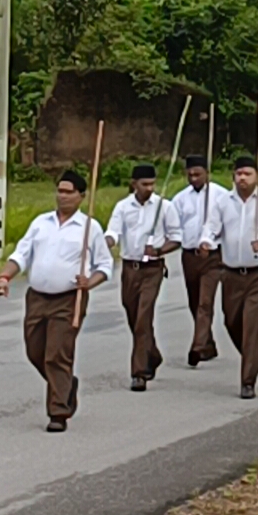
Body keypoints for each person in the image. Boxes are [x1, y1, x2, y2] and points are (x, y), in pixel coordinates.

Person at [0, 171, 112, 432]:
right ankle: (66, 384)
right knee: (35, 351)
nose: (63, 196)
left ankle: (58, 412)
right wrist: (4, 277)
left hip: (69, 299)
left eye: (69, 192)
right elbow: (21, 254)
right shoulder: (41, 223)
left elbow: (105, 265)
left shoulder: (90, 228)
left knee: (57, 354)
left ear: (81, 196)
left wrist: (89, 282)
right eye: (60, 191)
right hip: (37, 298)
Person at [199, 155, 258, 400]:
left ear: (257, 176)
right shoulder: (222, 202)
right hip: (231, 273)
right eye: (239, 174)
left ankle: (247, 380)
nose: (242, 178)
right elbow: (211, 228)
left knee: (253, 324)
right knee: (231, 321)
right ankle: (253, 358)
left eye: (247, 174)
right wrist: (206, 241)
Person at [104, 163, 181, 392]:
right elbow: (113, 232)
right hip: (130, 268)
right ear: (134, 184)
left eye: (152, 184)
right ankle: (152, 353)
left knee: (143, 317)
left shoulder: (164, 206)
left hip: (153, 270)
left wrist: (159, 250)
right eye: (144, 184)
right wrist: (105, 242)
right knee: (133, 315)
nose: (149, 188)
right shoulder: (122, 207)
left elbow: (177, 238)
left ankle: (139, 373)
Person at [170, 156, 223, 367]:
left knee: (205, 302)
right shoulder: (180, 199)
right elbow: (174, 226)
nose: (193, 178)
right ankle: (208, 343)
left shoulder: (221, 196)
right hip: (189, 255)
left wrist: (209, 241)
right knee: (194, 301)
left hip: (213, 256)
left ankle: (197, 347)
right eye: (190, 174)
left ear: (207, 173)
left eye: (197, 174)